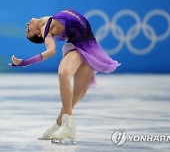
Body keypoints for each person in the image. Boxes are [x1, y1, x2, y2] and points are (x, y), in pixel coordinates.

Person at [9, 9, 121, 142]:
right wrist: (23, 63)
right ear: (39, 33)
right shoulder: (45, 29)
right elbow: (51, 51)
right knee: (64, 73)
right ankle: (68, 124)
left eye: (27, 28)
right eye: (28, 31)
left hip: (90, 46)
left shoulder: (46, 19)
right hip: (80, 46)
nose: (27, 26)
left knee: (79, 91)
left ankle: (59, 122)